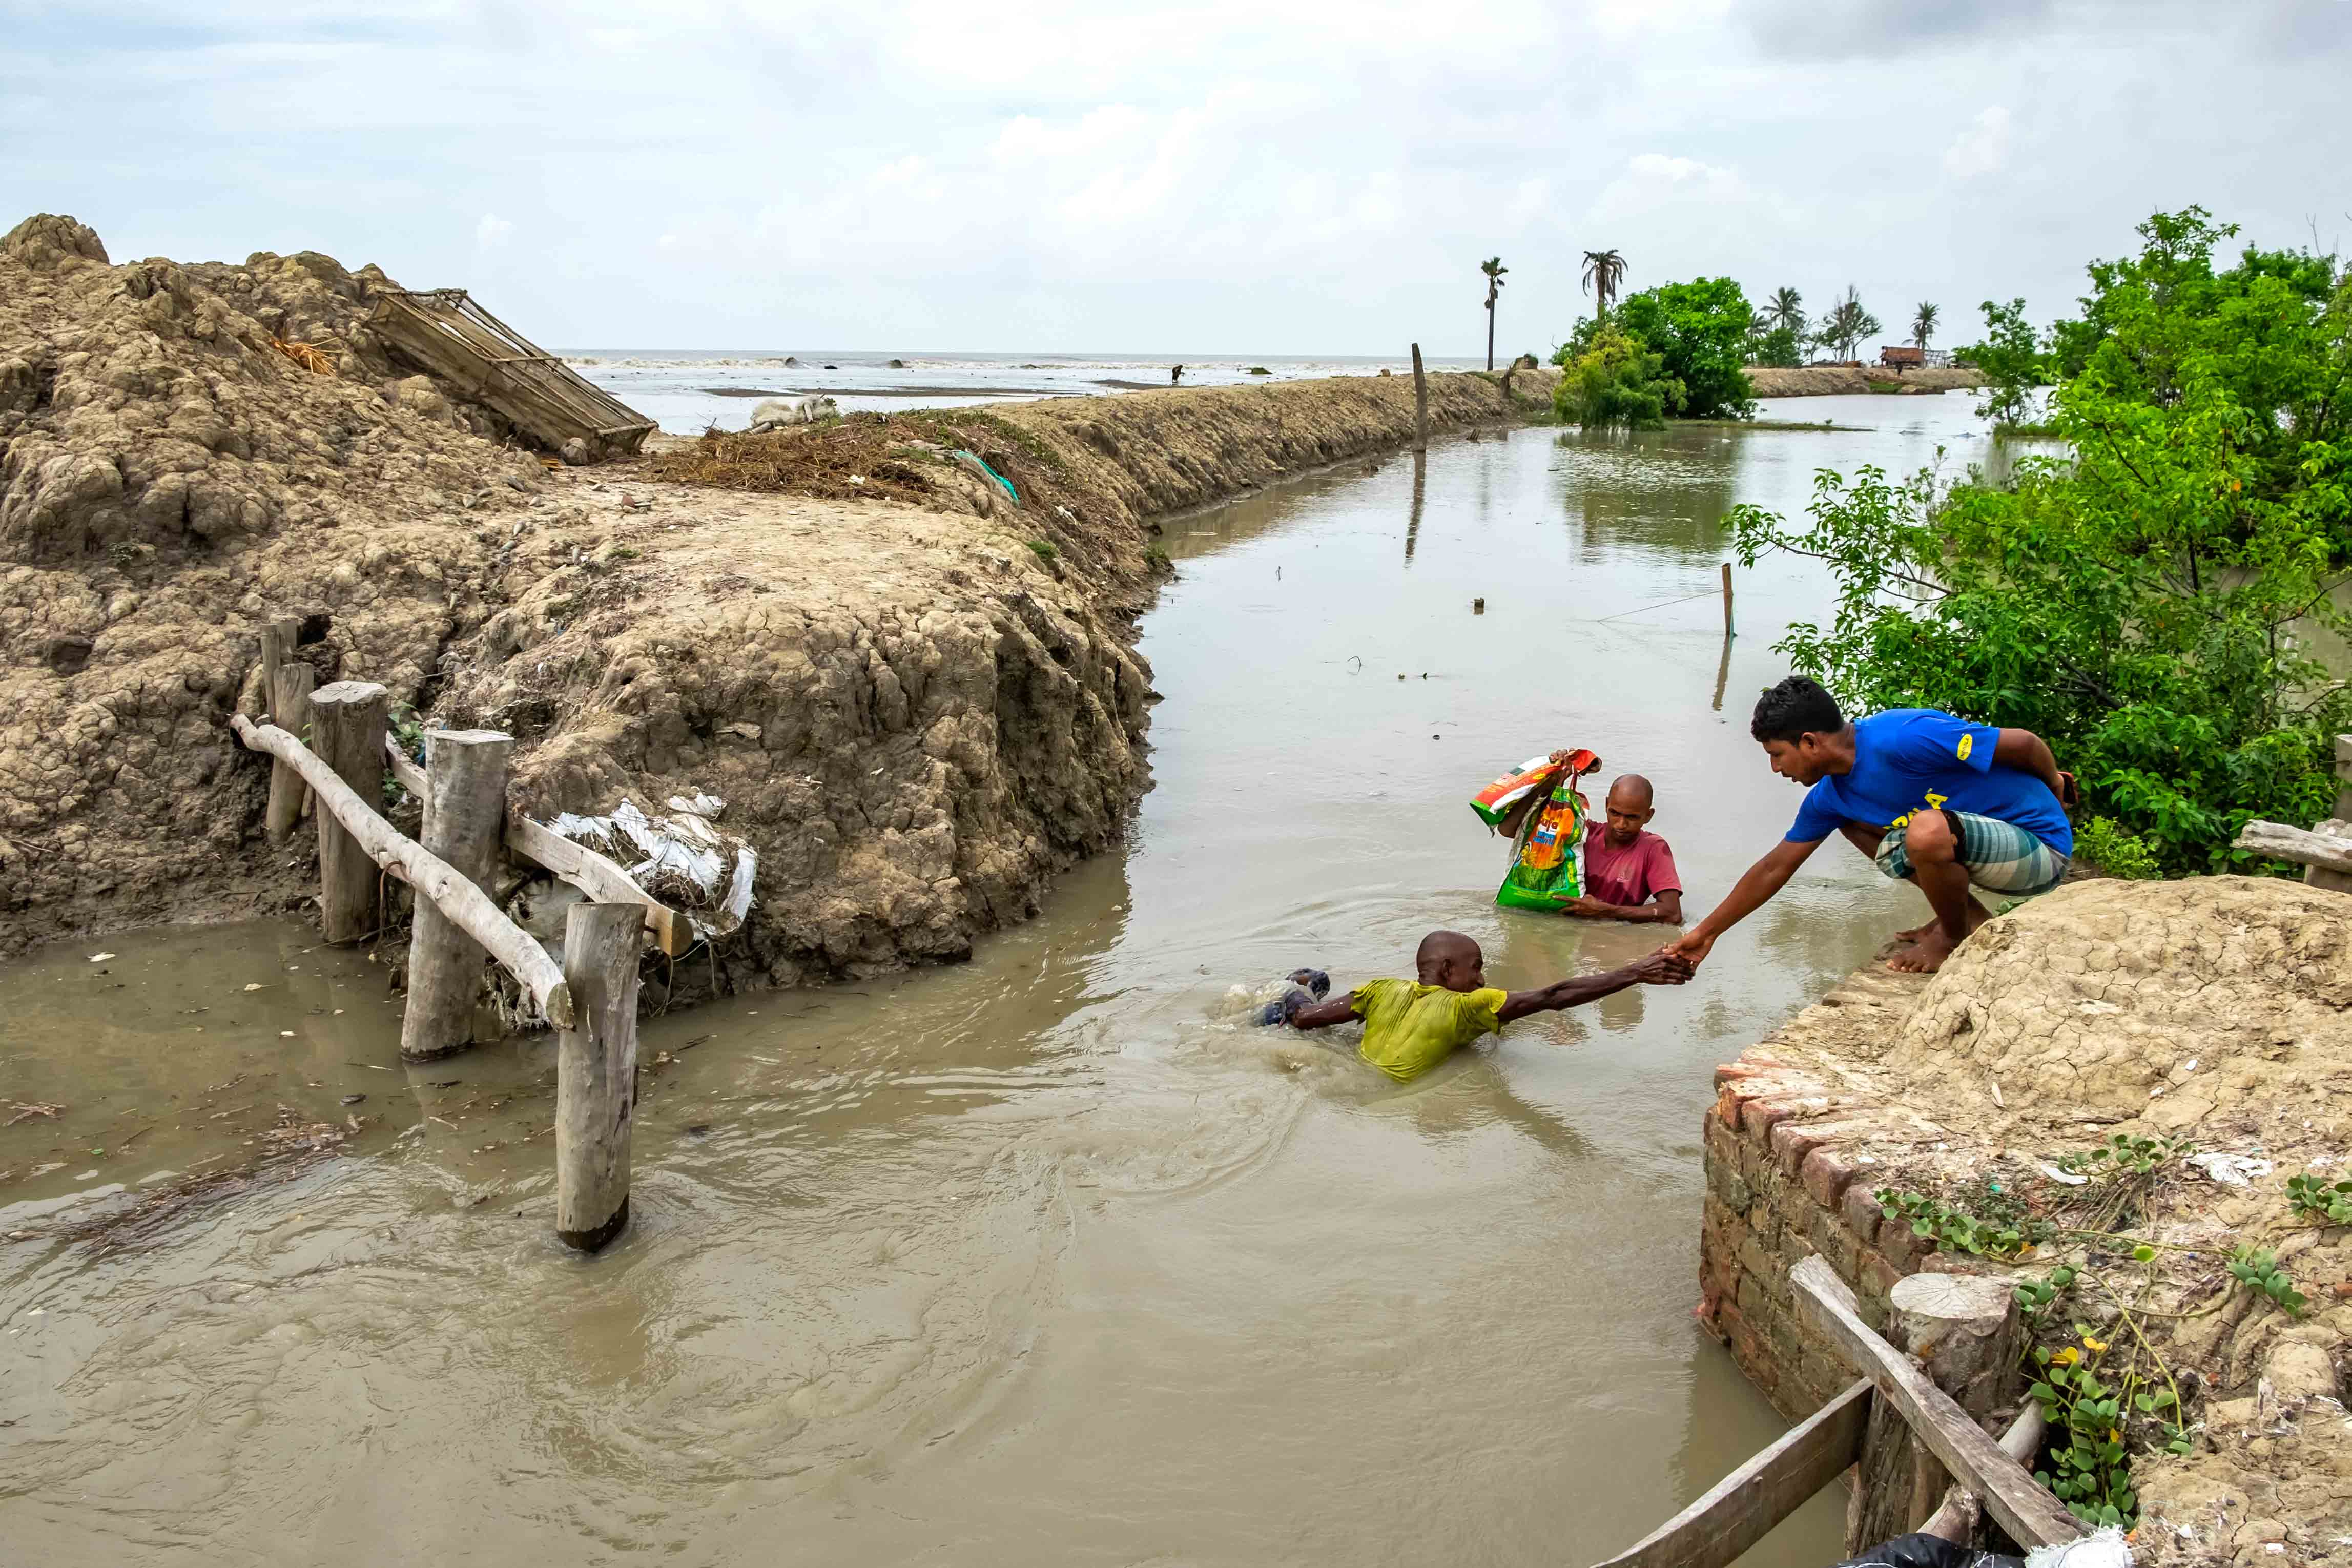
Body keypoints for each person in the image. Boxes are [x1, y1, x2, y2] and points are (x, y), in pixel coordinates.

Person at [1666, 677, 2074, 976]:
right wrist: (1707, 933)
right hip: (1981, 850)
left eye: (1778, 755)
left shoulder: (1902, 738)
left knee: (1927, 830)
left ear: (1810, 742)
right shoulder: (1832, 796)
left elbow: (2022, 743)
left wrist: (2056, 786)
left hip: (2039, 849)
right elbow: (1775, 867)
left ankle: (1951, 938)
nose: (1776, 769)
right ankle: (1966, 916)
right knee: (1852, 823)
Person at [1284, 929, 1693, 1081]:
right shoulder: (1470, 1006)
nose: (1481, 979)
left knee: (1304, 994)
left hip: (1345, 1076)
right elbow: (1554, 997)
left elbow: (1305, 1020)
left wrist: (1296, 998)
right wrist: (1636, 973)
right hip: (1384, 1093)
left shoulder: (1379, 989)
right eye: (1476, 969)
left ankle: (1300, 982)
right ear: (1447, 970)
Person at [1562, 774, 1682, 924]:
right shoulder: (1583, 833)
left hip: (1614, 933)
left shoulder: (1653, 849)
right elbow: (1541, 816)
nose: (1621, 824)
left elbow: (1672, 913)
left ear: (1648, 815)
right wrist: (1557, 775)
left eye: (1632, 817)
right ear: (1607, 805)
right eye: (1615, 813)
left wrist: (1608, 911)